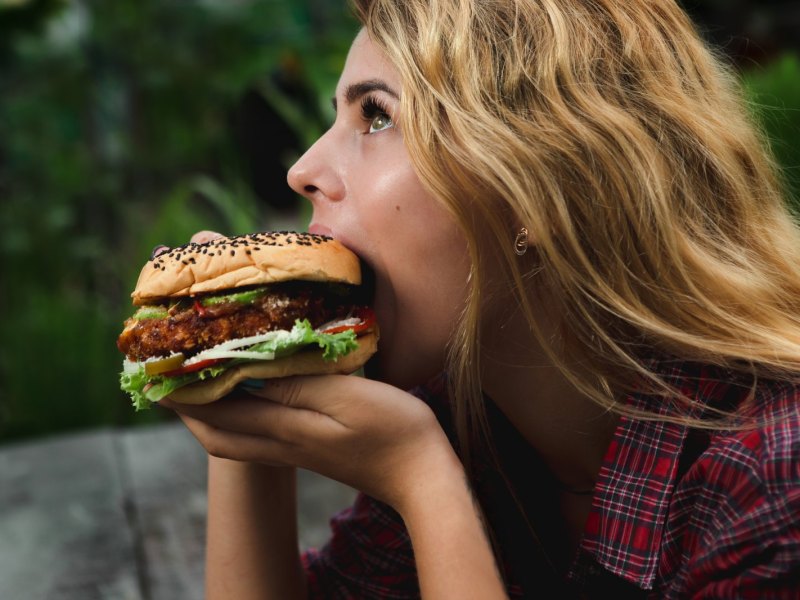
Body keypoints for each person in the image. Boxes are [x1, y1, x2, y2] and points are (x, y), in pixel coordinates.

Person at [159, 0, 800, 597]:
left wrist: (424, 482)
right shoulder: (472, 420)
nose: (302, 168)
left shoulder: (772, 476)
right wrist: (239, 369)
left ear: (533, 190)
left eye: (376, 116)